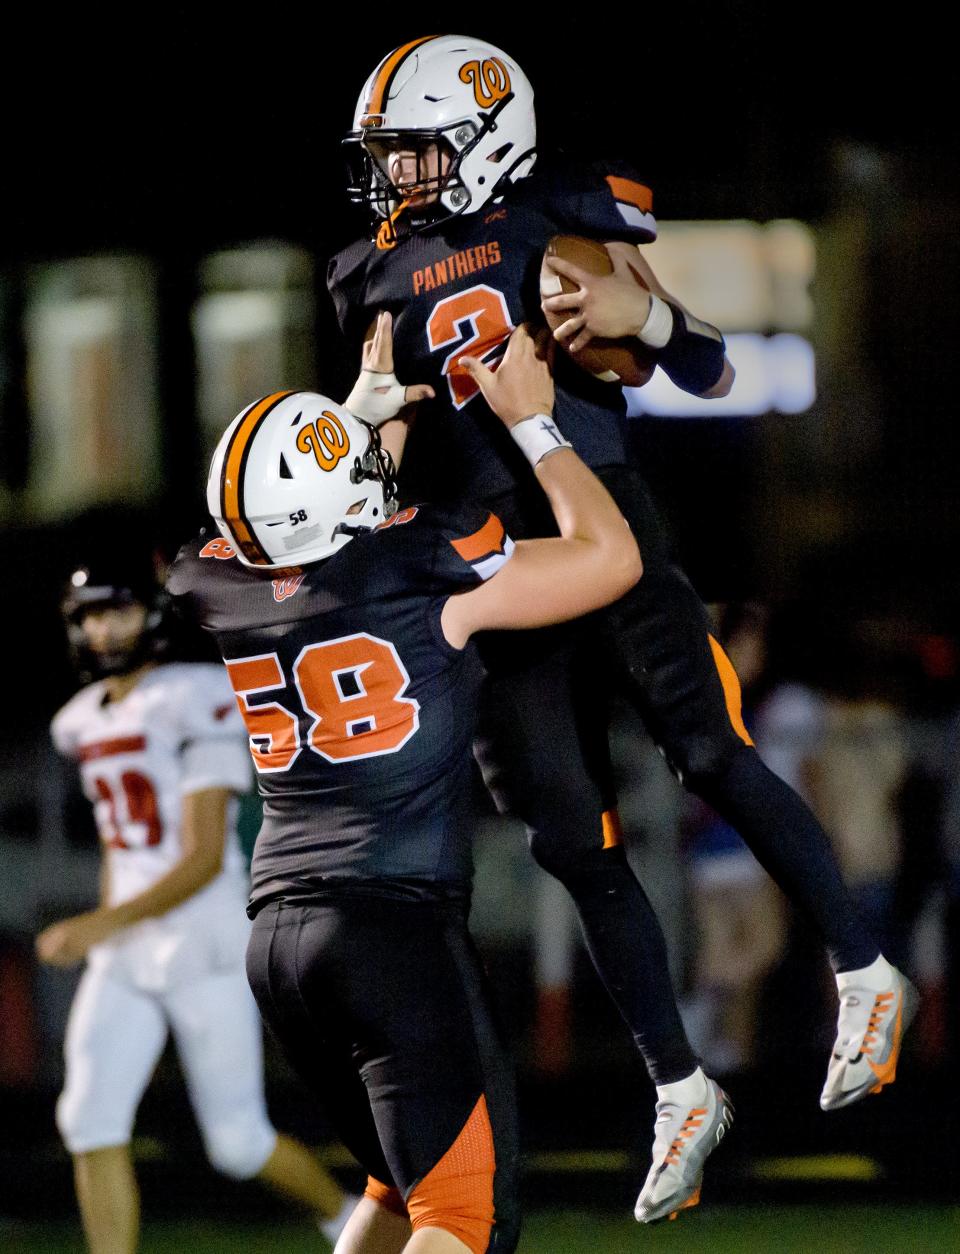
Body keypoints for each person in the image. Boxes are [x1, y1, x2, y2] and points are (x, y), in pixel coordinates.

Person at [327, 33, 918, 1222]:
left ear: (486, 136)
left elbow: (700, 369)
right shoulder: (369, 277)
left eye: (413, 154)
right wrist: (368, 424)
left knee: (708, 751)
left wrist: (633, 317)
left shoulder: (560, 217)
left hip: (604, 533)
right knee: (572, 842)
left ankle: (863, 965)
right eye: (386, 159)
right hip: (493, 571)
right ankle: (678, 1084)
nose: (394, 180)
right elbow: (372, 484)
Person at [167, 319, 647, 1254]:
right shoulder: (421, 566)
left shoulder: (215, 583)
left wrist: (352, 427)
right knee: (467, 1218)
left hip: (278, 942)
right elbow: (610, 556)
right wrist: (538, 424)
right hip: (391, 931)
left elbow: (305, 534)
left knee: (403, 1186)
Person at [36, 562, 357, 1254]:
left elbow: (204, 855)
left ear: (149, 613)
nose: (101, 628)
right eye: (89, 615)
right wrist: (108, 922)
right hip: (128, 950)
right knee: (88, 1120)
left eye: (114, 610)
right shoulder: (82, 722)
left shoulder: (196, 697)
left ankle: (349, 1222)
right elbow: (123, 851)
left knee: (238, 1144)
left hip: (202, 942)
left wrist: (95, 925)